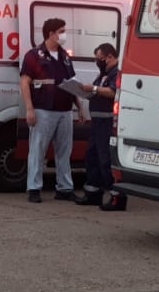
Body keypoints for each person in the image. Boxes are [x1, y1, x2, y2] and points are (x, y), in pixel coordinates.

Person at [19, 18, 83, 204]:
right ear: (51, 33)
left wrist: (79, 107)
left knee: (64, 151)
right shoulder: (34, 55)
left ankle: (64, 188)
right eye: (61, 31)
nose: (64, 35)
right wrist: (29, 109)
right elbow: (24, 82)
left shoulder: (64, 56)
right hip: (43, 109)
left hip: (64, 110)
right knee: (37, 150)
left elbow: (72, 84)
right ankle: (34, 188)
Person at [79, 42, 122, 209]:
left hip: (107, 123)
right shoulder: (103, 74)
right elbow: (99, 91)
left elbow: (112, 92)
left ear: (110, 56)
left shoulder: (116, 73)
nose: (98, 62)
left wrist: (94, 89)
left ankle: (117, 197)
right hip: (97, 123)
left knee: (106, 160)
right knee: (92, 158)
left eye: (100, 59)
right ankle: (93, 193)